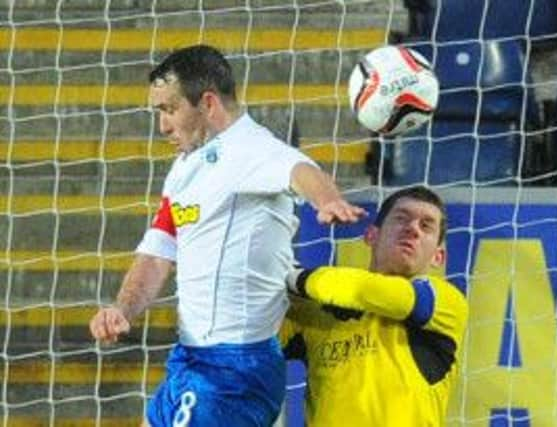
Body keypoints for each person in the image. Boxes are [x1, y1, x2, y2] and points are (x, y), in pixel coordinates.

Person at [89, 44, 365, 427]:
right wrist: (122, 309)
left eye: (169, 110)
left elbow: (300, 169)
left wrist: (327, 199)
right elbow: (157, 252)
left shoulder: (253, 148)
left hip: (235, 370)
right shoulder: (185, 168)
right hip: (190, 360)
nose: (162, 126)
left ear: (207, 103)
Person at [281, 186, 468, 427]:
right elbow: (259, 339)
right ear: (371, 236)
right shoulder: (317, 311)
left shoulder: (445, 304)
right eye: (402, 218)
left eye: (426, 226)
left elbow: (361, 291)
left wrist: (292, 276)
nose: (413, 229)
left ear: (438, 257)